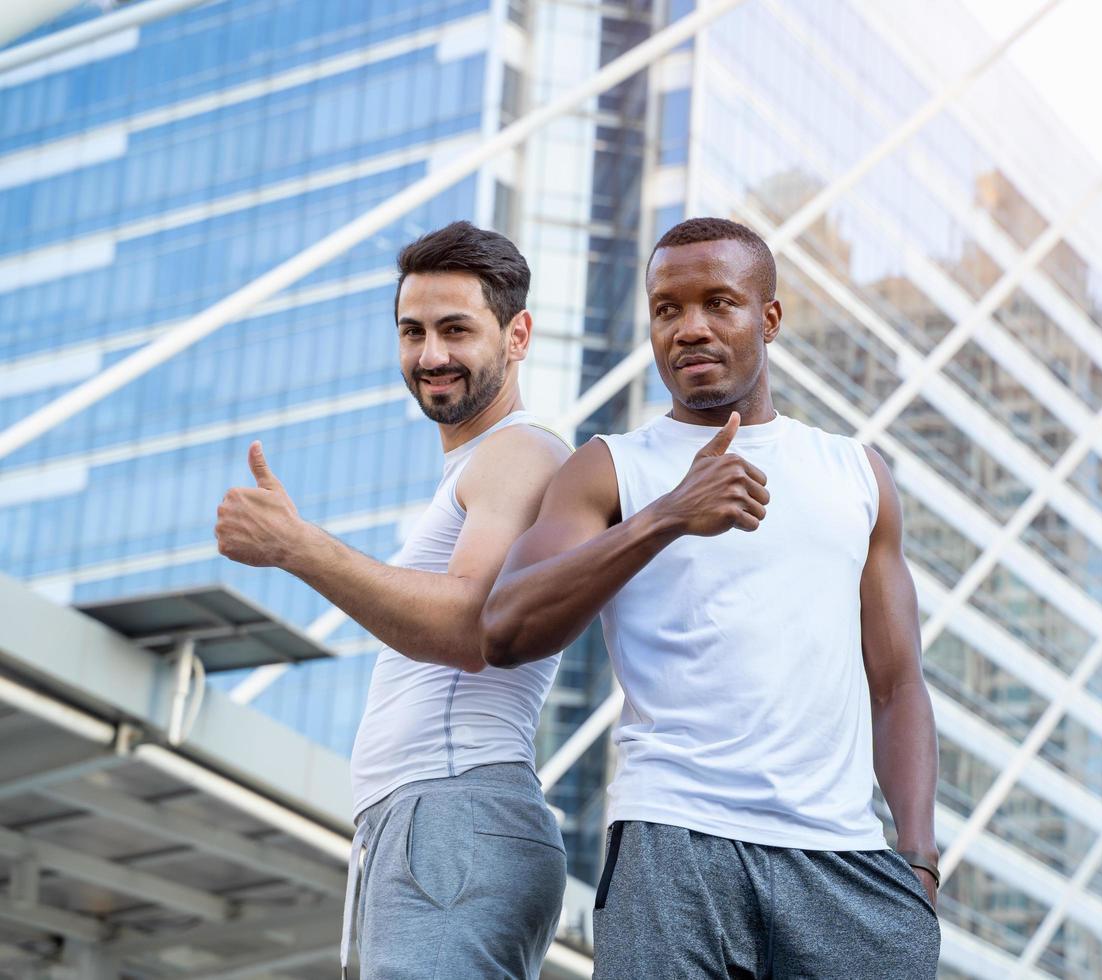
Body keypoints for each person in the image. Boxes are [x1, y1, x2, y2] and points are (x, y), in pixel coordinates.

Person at [480, 217, 941, 978]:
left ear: (769, 318)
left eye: (718, 303)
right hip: (674, 843)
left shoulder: (857, 474)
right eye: (667, 309)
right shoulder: (608, 469)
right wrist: (665, 516)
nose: (689, 328)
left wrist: (918, 863)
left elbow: (897, 684)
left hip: (846, 863)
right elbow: (505, 628)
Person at [215, 221, 569, 979]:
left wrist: (296, 546)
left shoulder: (521, 451)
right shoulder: (476, 466)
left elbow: (468, 626)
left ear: (518, 335)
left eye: (455, 329)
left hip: (452, 815)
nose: (430, 355)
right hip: (428, 822)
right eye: (412, 332)